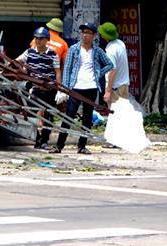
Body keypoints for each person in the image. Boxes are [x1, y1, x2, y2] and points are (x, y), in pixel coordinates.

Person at [54, 22, 114, 154]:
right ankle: (59, 145)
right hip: (75, 87)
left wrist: (98, 73)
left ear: (94, 35)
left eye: (88, 33)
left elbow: (110, 64)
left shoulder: (97, 51)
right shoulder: (74, 49)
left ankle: (82, 146)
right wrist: (64, 89)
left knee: (87, 118)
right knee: (69, 116)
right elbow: (67, 69)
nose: (85, 35)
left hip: (91, 87)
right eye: (83, 32)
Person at [16, 27, 62, 150]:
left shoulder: (53, 54)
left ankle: (44, 140)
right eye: (36, 38)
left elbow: (57, 72)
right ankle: (37, 140)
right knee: (32, 114)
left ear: (47, 40)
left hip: (49, 89)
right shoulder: (29, 52)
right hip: (35, 88)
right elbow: (17, 61)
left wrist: (59, 89)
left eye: (41, 39)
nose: (38, 41)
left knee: (48, 115)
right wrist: (22, 68)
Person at [99, 21, 130, 107]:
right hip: (124, 85)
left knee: (115, 112)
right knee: (124, 112)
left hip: (115, 88)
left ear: (105, 36)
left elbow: (112, 70)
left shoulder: (111, 50)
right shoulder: (120, 43)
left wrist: (108, 91)